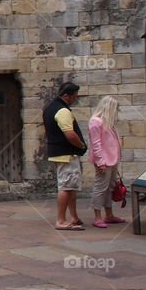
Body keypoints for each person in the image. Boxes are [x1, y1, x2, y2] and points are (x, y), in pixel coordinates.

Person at [44, 82, 88, 230]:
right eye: (74, 96)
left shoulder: (50, 108)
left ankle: (74, 216)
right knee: (66, 187)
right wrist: (81, 145)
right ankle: (61, 220)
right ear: (66, 95)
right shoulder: (62, 110)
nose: (75, 99)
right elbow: (69, 134)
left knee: (71, 187)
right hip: (66, 154)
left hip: (60, 153)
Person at [87, 95, 125, 228]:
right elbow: (96, 143)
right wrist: (100, 161)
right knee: (100, 187)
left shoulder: (108, 123)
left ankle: (109, 215)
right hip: (103, 160)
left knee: (110, 187)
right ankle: (97, 217)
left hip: (112, 160)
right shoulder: (96, 122)